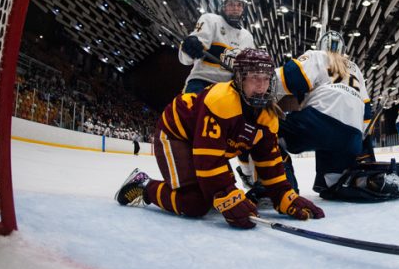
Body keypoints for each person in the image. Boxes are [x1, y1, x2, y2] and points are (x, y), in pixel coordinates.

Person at [114, 49, 324, 228]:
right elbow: (208, 161)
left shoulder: (268, 116)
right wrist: (225, 194)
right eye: (254, 78)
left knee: (209, 195)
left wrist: (285, 196)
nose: (261, 87)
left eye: (266, 79)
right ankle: (145, 186)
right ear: (240, 79)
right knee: (194, 204)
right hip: (176, 136)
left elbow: (269, 162)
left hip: (206, 147)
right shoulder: (221, 101)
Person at [275, 31, 399, 202]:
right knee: (333, 185)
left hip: (318, 125)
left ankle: (279, 186)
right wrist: (359, 144)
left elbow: (288, 77)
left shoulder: (317, 55)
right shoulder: (355, 68)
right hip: (351, 138)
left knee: (266, 129)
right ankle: (364, 180)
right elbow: (366, 112)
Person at [178, 0, 256, 94]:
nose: (235, 8)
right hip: (202, 81)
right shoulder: (211, 20)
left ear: (243, 9)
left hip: (229, 88)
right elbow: (186, 60)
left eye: (239, 5)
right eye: (231, 4)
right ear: (223, 6)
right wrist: (188, 49)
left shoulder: (247, 37)